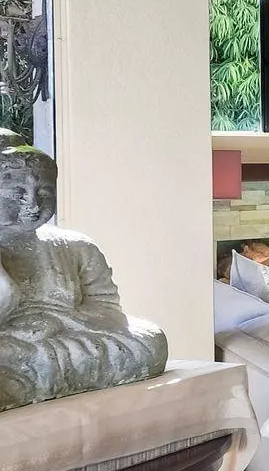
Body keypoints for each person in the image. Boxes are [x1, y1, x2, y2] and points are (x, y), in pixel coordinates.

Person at [0, 135, 168, 412]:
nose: (31, 205)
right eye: (17, 194)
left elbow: (109, 308)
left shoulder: (75, 246)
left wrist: (58, 321)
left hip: (73, 337)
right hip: (11, 345)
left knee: (152, 340)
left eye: (43, 193)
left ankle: (27, 378)